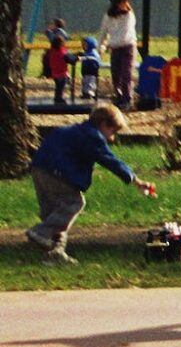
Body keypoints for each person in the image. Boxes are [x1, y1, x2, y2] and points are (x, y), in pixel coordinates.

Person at [25, 102, 157, 265]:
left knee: (54, 214)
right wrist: (134, 179)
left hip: (39, 170)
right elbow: (110, 160)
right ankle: (41, 232)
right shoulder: (92, 136)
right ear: (103, 124)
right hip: (57, 174)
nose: (112, 138)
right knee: (74, 203)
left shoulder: (70, 130)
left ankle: (55, 253)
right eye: (112, 131)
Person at [99, 0, 138, 108]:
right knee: (116, 75)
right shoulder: (108, 17)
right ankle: (119, 96)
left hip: (127, 46)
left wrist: (127, 8)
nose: (125, 5)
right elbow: (103, 32)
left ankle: (127, 99)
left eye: (126, 3)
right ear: (116, 4)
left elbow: (126, 28)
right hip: (115, 48)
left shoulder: (129, 16)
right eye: (122, 3)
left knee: (126, 73)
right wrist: (101, 46)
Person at [41, 19, 69, 106]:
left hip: (58, 53)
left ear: (56, 25)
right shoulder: (56, 32)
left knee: (59, 84)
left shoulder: (59, 32)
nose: (51, 25)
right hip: (58, 58)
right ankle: (58, 97)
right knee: (60, 84)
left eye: (52, 24)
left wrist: (48, 32)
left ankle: (58, 97)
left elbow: (56, 39)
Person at [77, 37, 101, 103]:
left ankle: (89, 94)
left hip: (91, 71)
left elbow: (93, 58)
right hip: (86, 71)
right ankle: (85, 93)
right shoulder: (87, 52)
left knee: (90, 82)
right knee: (85, 82)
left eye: (85, 45)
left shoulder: (93, 52)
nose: (83, 46)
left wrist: (83, 58)